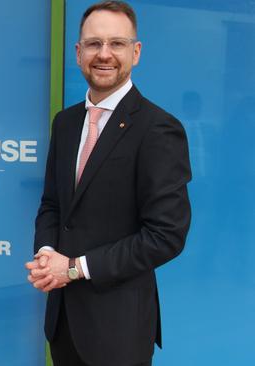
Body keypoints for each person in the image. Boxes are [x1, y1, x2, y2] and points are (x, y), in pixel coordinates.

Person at [25, 2, 191, 365]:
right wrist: (47, 253)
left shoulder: (158, 129)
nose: (104, 54)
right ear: (78, 52)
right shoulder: (65, 123)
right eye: (93, 43)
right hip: (63, 321)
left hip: (119, 329)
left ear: (136, 52)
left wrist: (72, 268)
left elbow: (166, 235)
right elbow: (53, 205)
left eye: (116, 43)